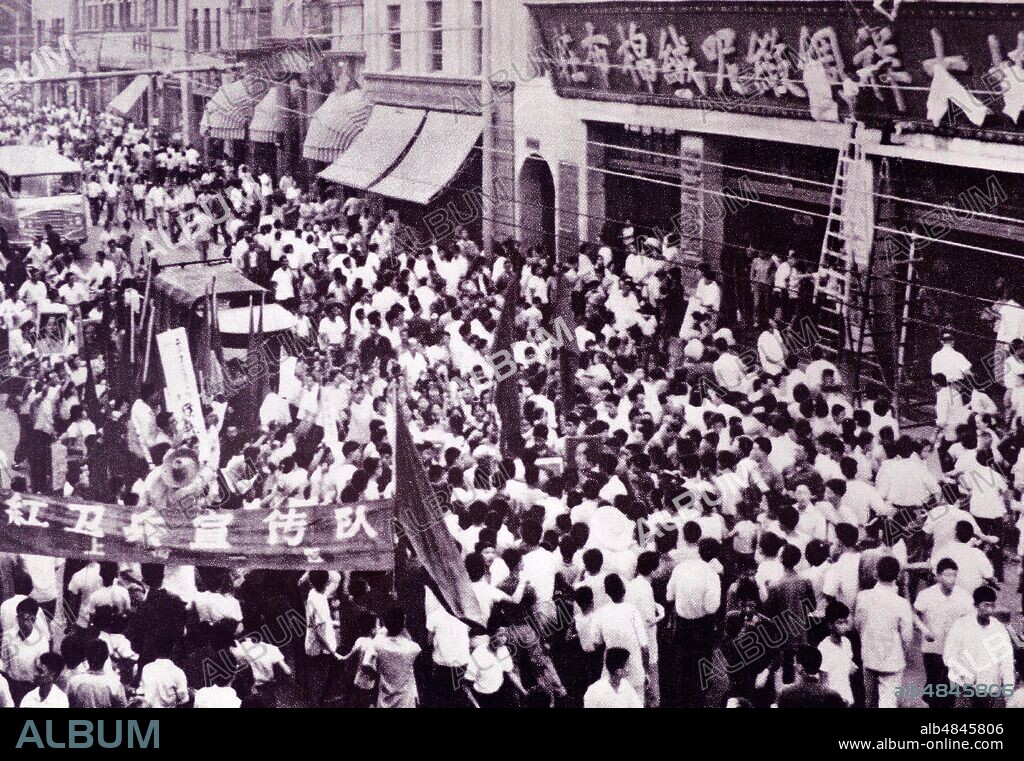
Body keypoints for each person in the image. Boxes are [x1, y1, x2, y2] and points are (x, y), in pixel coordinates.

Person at [853, 556, 914, 708]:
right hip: (893, 658)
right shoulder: (902, 603)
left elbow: (857, 624)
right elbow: (907, 636)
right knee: (889, 702)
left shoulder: (863, 597)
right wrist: (903, 651)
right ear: (898, 575)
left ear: (875, 573)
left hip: (869, 654)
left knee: (870, 701)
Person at [913, 558, 974, 709]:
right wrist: (924, 630)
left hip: (954, 649)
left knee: (949, 685)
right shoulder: (926, 595)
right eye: (947, 575)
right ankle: (929, 701)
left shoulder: (964, 597)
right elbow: (914, 616)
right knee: (934, 680)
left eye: (954, 575)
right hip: (932, 648)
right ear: (938, 576)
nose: (951, 579)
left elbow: (970, 620)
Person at [944, 585, 1015, 709]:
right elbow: (949, 655)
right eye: (986, 605)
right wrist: (964, 675)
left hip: (990, 688)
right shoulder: (961, 625)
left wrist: (1009, 688)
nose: (990, 610)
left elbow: (1006, 660)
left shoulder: (998, 628)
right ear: (976, 605)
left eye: (992, 605)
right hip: (964, 688)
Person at [372, 608, 422, 708]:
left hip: (384, 700)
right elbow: (409, 639)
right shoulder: (413, 648)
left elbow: (380, 635)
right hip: (405, 701)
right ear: (403, 624)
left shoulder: (377, 644)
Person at [775, 646, 847, 708]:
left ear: (800, 667)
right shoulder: (833, 696)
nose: (794, 665)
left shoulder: (787, 694)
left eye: (795, 662)